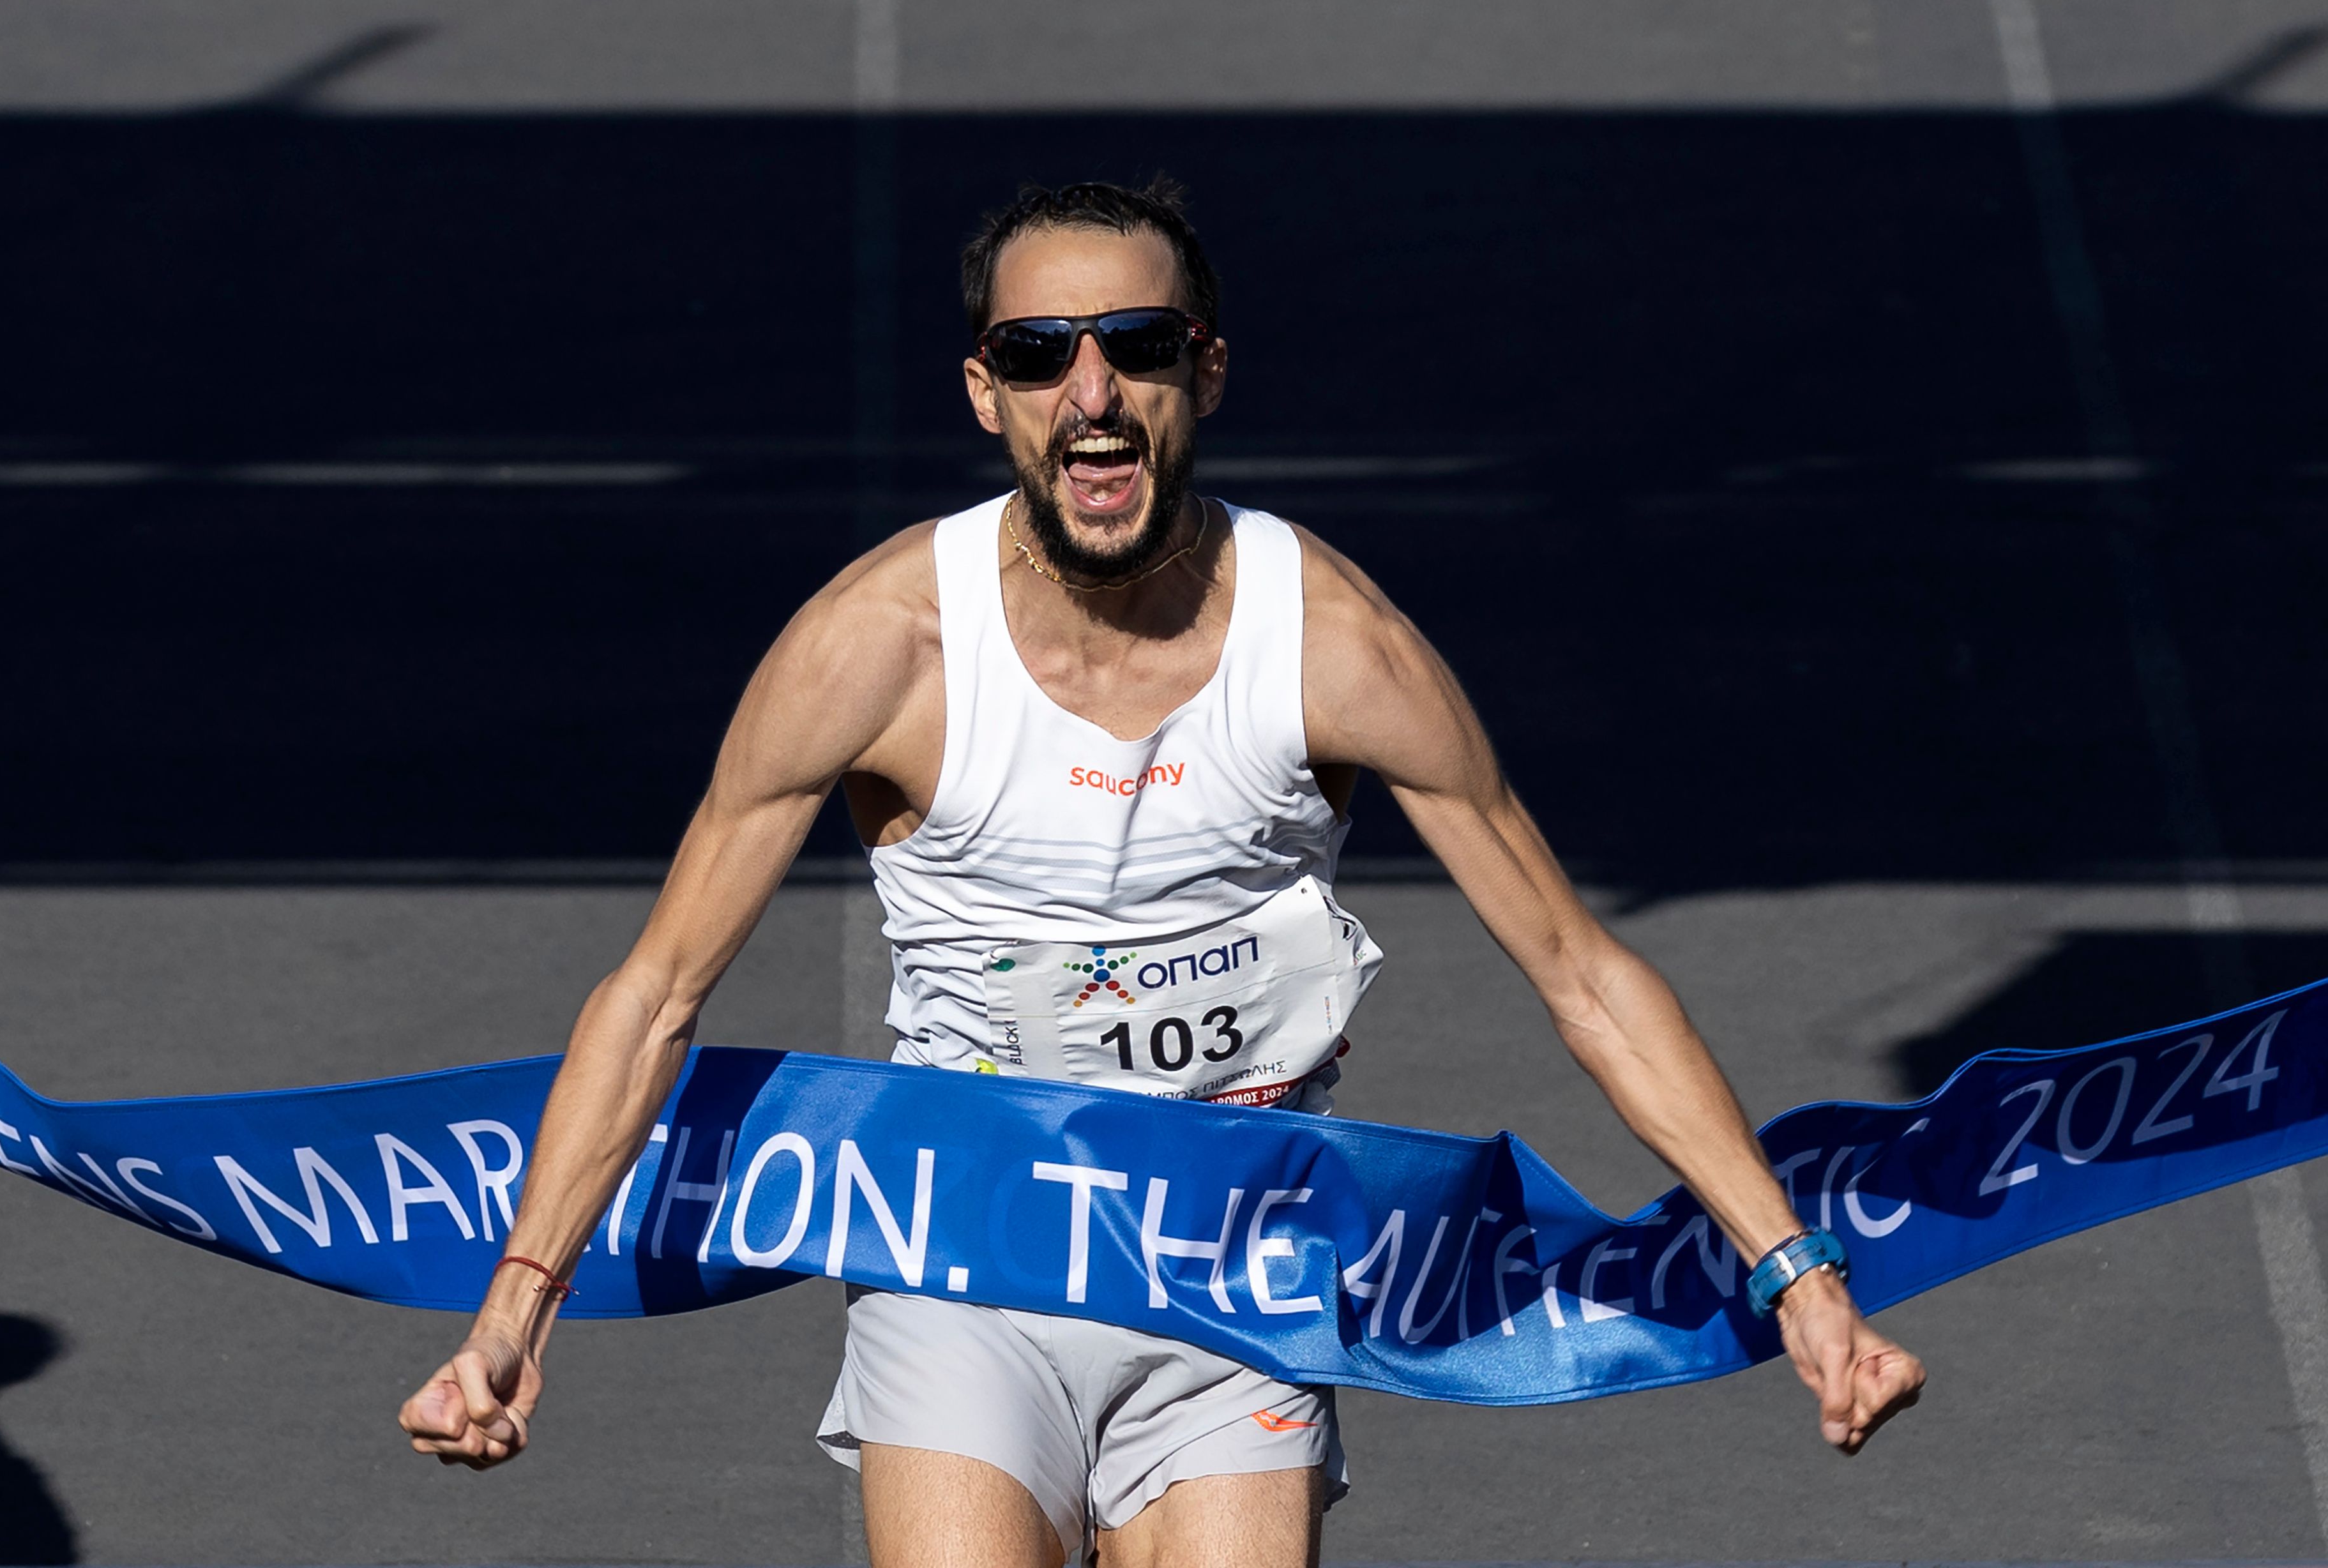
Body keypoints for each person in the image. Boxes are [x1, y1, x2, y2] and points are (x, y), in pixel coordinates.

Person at [398, 179, 1925, 1567]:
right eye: (1045, 352)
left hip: (1236, 1262)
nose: (1094, 392)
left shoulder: (1331, 641)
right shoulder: (878, 647)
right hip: (970, 1253)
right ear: (987, 396)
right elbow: (658, 989)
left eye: (1134, 343)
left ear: (1204, 370)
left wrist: (1794, 1268)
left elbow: (1581, 971)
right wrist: (518, 1311)